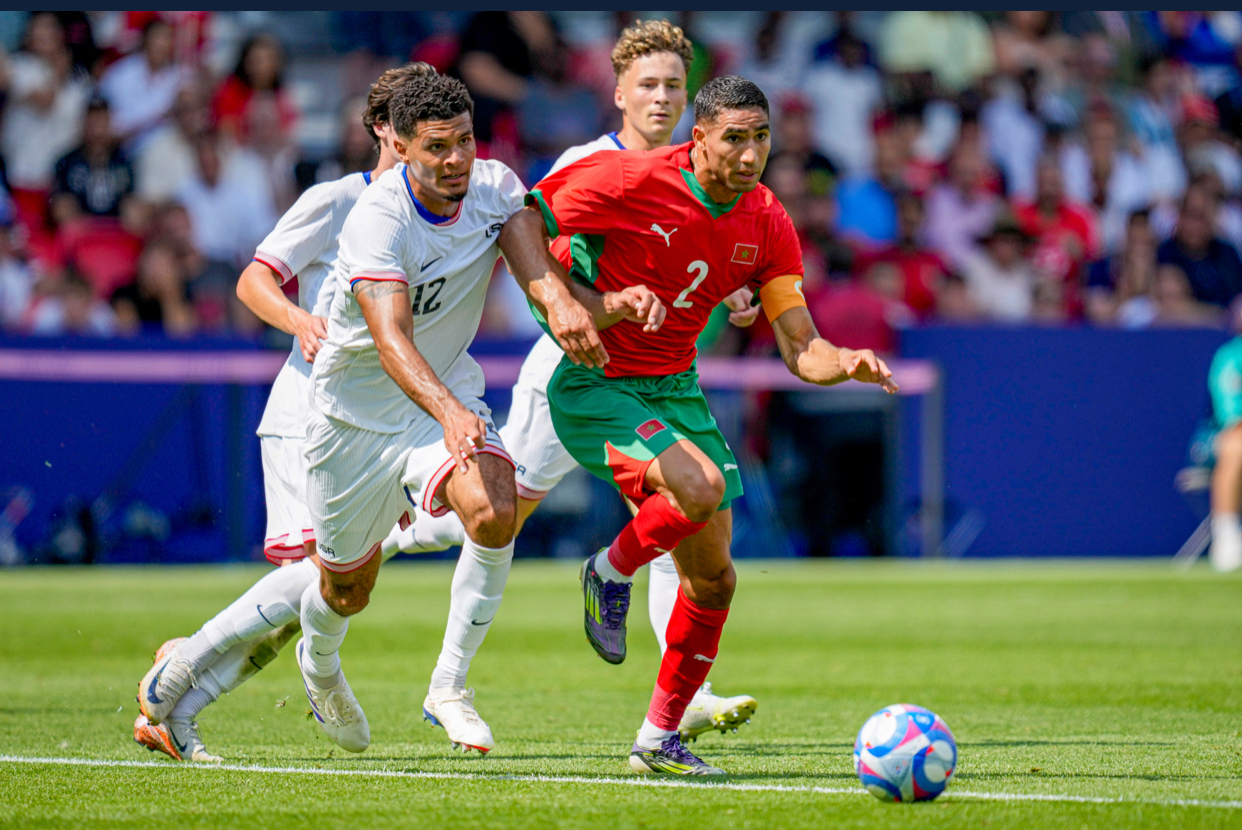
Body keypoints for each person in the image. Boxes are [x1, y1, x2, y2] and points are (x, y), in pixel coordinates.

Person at [387, 19, 762, 742]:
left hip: (652, 382)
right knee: (492, 521)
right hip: (574, 376)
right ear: (617, 91)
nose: (661, 98)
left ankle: (689, 693)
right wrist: (574, 313)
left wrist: (732, 292)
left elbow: (697, 263)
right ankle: (439, 654)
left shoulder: (703, 170)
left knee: (678, 509)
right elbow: (532, 249)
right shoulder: (591, 161)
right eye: (647, 84)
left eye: (673, 86)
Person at [524, 75, 897, 776]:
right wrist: (572, 302)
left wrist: (843, 360)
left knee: (715, 581)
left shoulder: (767, 220)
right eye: (735, 137)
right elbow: (523, 221)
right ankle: (608, 571)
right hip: (598, 380)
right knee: (693, 489)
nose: (751, 153)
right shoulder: (631, 178)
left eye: (761, 137)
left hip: (677, 391)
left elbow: (800, 347)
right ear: (699, 138)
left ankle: (656, 739)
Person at [292, 69, 659, 758]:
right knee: (346, 589)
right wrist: (448, 411)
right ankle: (319, 664)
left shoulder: (493, 188)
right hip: (354, 418)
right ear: (399, 146)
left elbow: (538, 271)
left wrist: (584, 309)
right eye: (437, 147)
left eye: (465, 140)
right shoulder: (377, 218)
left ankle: (449, 687)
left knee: (494, 509)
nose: (456, 159)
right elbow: (390, 338)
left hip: (442, 399)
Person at [132, 64, 430, 763]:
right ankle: (177, 670)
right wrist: (299, 318)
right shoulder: (337, 199)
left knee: (310, 604)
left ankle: (178, 707)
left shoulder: (433, 215)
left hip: (374, 426)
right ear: (384, 130)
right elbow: (253, 278)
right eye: (411, 123)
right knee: (319, 584)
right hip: (310, 412)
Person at [1209, 315, 1242, 572]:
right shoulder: (1231, 356)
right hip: (1216, 438)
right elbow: (1232, 419)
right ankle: (1227, 537)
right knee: (1237, 444)